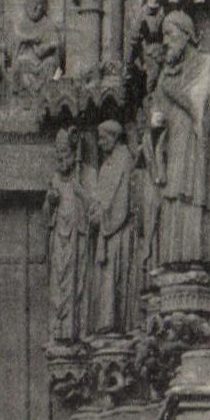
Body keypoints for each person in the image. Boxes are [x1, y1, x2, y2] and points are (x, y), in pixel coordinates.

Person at [149, 11, 210, 271]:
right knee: (173, 198)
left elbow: (198, 105)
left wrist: (170, 91)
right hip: (173, 146)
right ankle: (172, 260)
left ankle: (194, 260)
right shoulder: (167, 74)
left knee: (191, 197)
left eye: (170, 34)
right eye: (163, 36)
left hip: (195, 147)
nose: (165, 42)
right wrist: (156, 120)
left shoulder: (207, 64)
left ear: (187, 34)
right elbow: (158, 109)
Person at [87, 120, 136, 335]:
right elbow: (100, 196)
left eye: (103, 138)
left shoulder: (124, 159)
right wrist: (94, 211)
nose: (100, 143)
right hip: (106, 233)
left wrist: (103, 218)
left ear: (114, 137)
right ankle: (105, 323)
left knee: (115, 276)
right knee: (105, 277)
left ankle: (115, 324)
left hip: (117, 231)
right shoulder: (107, 164)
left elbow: (121, 197)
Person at [46, 128, 91, 344]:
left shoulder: (86, 174)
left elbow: (95, 205)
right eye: (58, 154)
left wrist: (81, 192)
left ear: (73, 154)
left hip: (77, 236)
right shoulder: (55, 179)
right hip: (59, 238)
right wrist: (51, 202)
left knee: (77, 282)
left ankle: (76, 330)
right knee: (59, 281)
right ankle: (59, 328)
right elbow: (46, 213)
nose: (61, 158)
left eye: (65, 153)